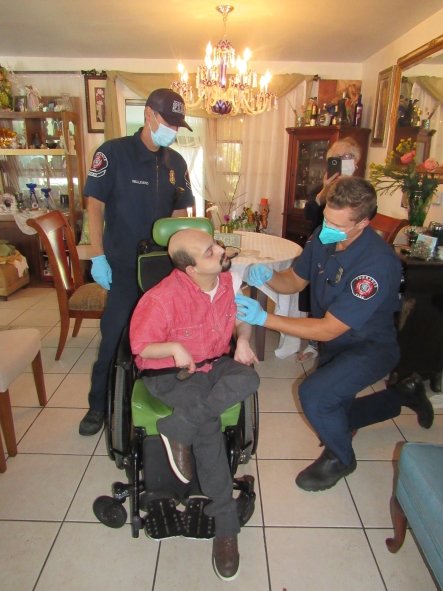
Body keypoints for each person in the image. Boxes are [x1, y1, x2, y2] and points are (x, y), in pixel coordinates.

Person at [236, 177, 434, 492]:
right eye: (327, 216)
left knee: (316, 396)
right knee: (335, 409)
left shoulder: (377, 264)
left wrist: (264, 318)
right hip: (335, 342)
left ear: (363, 223)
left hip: (370, 346)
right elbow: (296, 281)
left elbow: (330, 326)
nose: (327, 225)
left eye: (336, 223)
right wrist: (271, 277)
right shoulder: (324, 235)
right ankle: (404, 393)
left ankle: (342, 458)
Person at [130, 228, 260, 581]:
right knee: (209, 428)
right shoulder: (161, 298)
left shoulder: (227, 282)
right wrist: (173, 348)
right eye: (209, 251)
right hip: (172, 373)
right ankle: (226, 527)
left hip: (212, 364)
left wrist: (244, 340)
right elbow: (141, 348)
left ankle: (178, 427)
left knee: (249, 378)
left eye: (215, 244)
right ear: (191, 269)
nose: (220, 250)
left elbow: (241, 319)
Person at [79, 88, 195, 436]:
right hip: (124, 267)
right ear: (148, 115)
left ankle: (157, 398)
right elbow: (94, 208)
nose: (171, 131)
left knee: (167, 337)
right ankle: (98, 405)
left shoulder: (176, 162)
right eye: (167, 122)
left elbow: (181, 214)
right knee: (114, 337)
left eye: (177, 125)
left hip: (163, 269)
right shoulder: (113, 153)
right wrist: (97, 256)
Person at [298, 137, 362, 362]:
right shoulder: (323, 186)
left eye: (346, 157)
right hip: (321, 247)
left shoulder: (362, 191)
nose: (341, 162)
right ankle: (315, 341)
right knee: (317, 293)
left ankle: (337, 338)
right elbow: (309, 214)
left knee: (338, 294)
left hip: (347, 252)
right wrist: (323, 193)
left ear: (356, 162)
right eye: (336, 158)